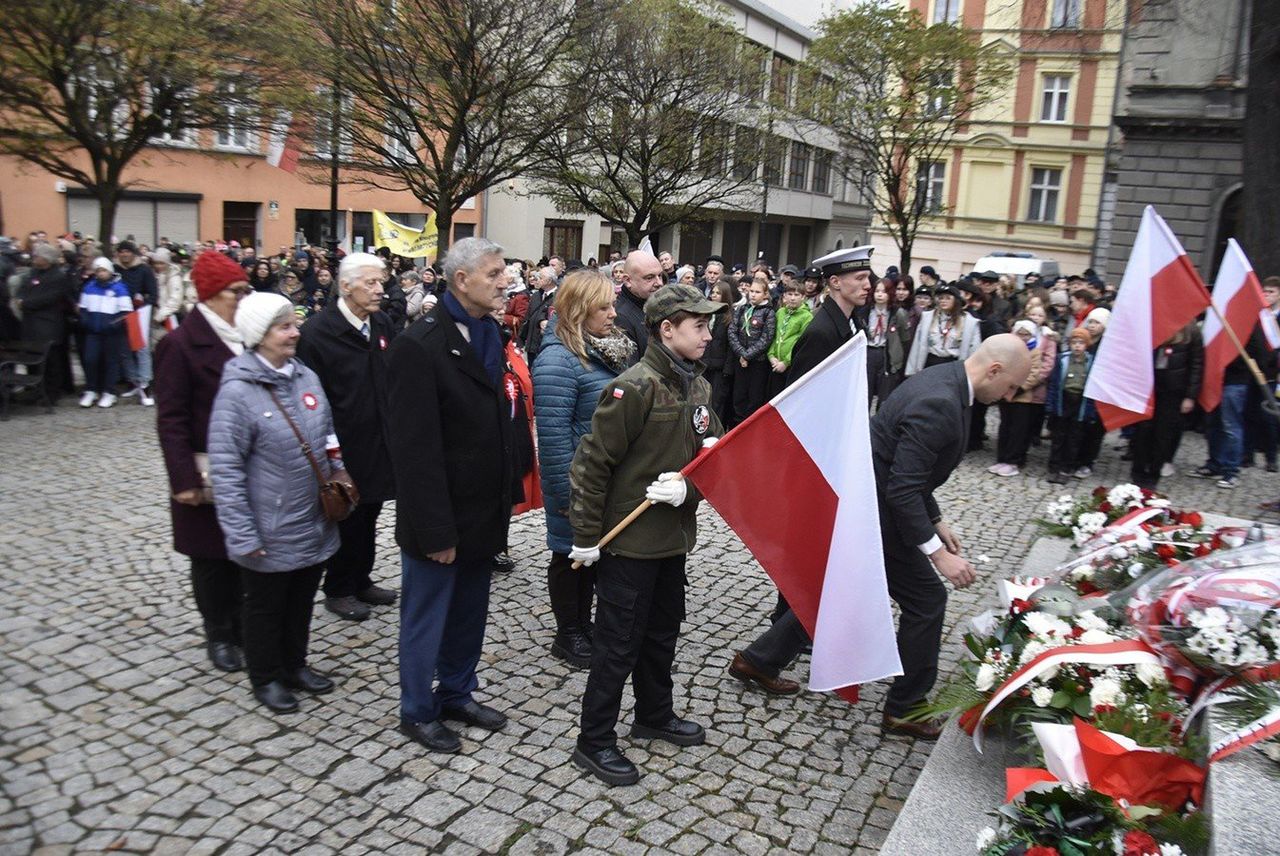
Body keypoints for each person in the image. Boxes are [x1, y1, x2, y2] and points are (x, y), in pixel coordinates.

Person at [568, 282, 725, 787]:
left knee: (662, 635)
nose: (707, 334)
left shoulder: (697, 386)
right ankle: (593, 741)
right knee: (617, 645)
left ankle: (653, 715)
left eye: (709, 325)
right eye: (698, 325)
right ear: (666, 329)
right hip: (629, 544)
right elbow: (592, 463)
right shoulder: (633, 387)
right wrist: (587, 537)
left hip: (671, 540)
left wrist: (691, 490)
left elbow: (712, 462)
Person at [385, 237, 516, 755]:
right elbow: (414, 454)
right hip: (439, 518)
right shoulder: (419, 346)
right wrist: (436, 530)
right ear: (461, 280)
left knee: (468, 611)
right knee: (428, 615)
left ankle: (457, 692)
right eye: (494, 272)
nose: (505, 280)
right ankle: (417, 710)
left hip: (480, 509)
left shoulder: (487, 331)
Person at [725, 246, 874, 694]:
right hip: (816, 456)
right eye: (858, 277)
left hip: (834, 451)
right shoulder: (821, 330)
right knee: (808, 546)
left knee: (815, 546)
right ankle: (784, 630)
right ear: (834, 283)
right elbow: (807, 401)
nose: (867, 283)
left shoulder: (847, 323)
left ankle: (794, 625)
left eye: (867, 276)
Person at [873, 335, 1031, 736]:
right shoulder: (941, 402)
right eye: (1011, 386)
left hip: (880, 503)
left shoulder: (945, 377)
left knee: (844, 589)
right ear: (994, 370)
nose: (1010, 396)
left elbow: (909, 469)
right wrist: (937, 553)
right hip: (881, 514)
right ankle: (905, 708)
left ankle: (761, 659)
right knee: (928, 600)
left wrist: (937, 519)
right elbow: (902, 487)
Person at [208, 291, 346, 713]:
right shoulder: (237, 393)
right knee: (265, 605)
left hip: (312, 517)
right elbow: (226, 470)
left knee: (301, 597)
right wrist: (241, 533)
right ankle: (266, 676)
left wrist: (339, 472)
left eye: (294, 324)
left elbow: (327, 433)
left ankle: (295, 664)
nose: (295, 332)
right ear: (258, 334)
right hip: (267, 524)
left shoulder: (304, 375)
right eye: (284, 327)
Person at [532, 270, 636, 669]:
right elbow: (554, 437)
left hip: (602, 479)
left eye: (612, 304)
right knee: (568, 557)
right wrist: (564, 494)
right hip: (577, 482)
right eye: (604, 307)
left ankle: (583, 624)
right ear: (578, 311)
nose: (614, 313)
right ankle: (568, 633)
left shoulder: (602, 349)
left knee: (592, 556)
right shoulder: (558, 359)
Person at [154, 250, 251, 673]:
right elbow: (170, 418)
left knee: (246, 552)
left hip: (250, 466)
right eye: (236, 292)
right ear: (211, 294)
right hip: (206, 467)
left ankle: (247, 624)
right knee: (211, 558)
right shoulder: (178, 344)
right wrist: (183, 478)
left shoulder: (247, 336)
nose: (244, 299)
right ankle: (220, 633)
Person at [296, 252, 399, 623]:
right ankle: (338, 588)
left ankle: (361, 578)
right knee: (345, 514)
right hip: (340, 443)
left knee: (370, 511)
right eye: (370, 283)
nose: (379, 290)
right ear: (345, 286)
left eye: (381, 282)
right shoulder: (317, 333)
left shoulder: (383, 323)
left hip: (378, 438)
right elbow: (308, 397)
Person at [1189, 322, 1277, 489]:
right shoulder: (1219, 318)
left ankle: (1231, 470)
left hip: (1235, 380)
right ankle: (1214, 463)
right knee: (1213, 424)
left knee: (1231, 426)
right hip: (1215, 378)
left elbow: (1260, 353)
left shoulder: (1249, 321)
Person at [1129, 324, 1202, 490]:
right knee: (1142, 431)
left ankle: (1154, 472)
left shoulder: (1192, 331)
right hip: (1149, 389)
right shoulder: (1152, 323)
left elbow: (1197, 365)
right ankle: (1138, 470)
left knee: (1164, 434)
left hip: (1174, 392)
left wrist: (1190, 396)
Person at [13, 243, 76, 405]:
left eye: (37, 256)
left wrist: (25, 303)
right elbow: (23, 288)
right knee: (33, 360)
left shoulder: (58, 277)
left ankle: (52, 393)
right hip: (30, 325)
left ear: (46, 259)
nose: (34, 258)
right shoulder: (33, 273)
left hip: (48, 325)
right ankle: (35, 390)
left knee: (51, 362)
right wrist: (20, 299)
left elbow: (49, 298)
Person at [990, 319, 1052, 476]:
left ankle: (1014, 460)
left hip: (1023, 396)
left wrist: (1020, 388)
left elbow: (1035, 374)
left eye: (1026, 335)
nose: (1023, 337)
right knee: (1005, 427)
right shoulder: (1007, 350)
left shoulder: (1035, 351)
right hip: (1005, 393)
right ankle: (1002, 458)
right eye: (1020, 334)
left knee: (1019, 430)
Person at [1045, 328, 1099, 484]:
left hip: (1080, 403)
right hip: (1063, 401)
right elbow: (1054, 384)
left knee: (1074, 439)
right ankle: (1054, 467)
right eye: (1074, 342)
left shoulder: (1091, 362)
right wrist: (1051, 405)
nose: (1077, 346)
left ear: (1086, 345)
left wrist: (1091, 410)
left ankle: (1066, 468)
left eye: (1081, 343)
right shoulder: (1062, 360)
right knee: (1058, 437)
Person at [77, 257, 132, 408]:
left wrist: (113, 325)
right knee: (90, 360)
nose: (101, 273)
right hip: (93, 331)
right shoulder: (89, 287)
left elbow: (126, 312)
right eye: (98, 270)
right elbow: (83, 308)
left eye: (103, 270)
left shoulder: (119, 288)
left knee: (111, 362)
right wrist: (86, 321)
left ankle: (109, 391)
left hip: (112, 333)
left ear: (110, 271)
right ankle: (91, 389)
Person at [728, 274, 777, 424]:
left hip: (757, 362)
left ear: (765, 294)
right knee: (739, 396)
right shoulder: (742, 309)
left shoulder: (769, 312)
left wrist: (748, 356)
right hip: (740, 360)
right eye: (752, 291)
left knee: (754, 397)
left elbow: (766, 339)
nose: (753, 295)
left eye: (757, 292)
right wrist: (742, 354)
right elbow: (732, 331)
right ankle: (736, 426)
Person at [114, 241, 158, 405]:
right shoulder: (114, 270)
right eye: (121, 252)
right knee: (124, 350)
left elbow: (153, 294)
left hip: (139, 315)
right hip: (120, 315)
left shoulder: (144, 270)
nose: (124, 254)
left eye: (127, 251)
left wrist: (143, 303)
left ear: (133, 253)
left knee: (142, 350)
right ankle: (134, 382)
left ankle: (145, 385)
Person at [905, 283, 980, 375]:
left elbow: (974, 349)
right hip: (930, 361)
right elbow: (917, 344)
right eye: (941, 298)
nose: (943, 301)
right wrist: (911, 371)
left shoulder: (969, 322)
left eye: (948, 298)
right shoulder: (928, 318)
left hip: (952, 364)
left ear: (956, 301)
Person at [863, 278, 912, 410]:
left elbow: (904, 339)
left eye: (884, 292)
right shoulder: (865, 311)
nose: (880, 294)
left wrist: (898, 361)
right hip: (869, 352)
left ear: (890, 294)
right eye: (877, 291)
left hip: (887, 355)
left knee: (884, 395)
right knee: (865, 392)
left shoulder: (898, 314)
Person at [612, 251, 665, 357]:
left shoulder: (656, 306)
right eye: (649, 278)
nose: (659, 283)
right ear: (627, 280)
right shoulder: (620, 317)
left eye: (660, 275)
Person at [766, 282, 813, 398]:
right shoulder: (780, 312)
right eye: (790, 294)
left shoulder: (806, 316)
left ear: (803, 297)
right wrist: (771, 355)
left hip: (790, 366)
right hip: (775, 363)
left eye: (796, 295)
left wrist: (786, 362)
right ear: (784, 296)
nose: (792, 298)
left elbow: (801, 342)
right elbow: (774, 335)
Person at [704, 281, 735, 425]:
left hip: (720, 367)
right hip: (705, 363)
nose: (714, 295)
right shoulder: (707, 314)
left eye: (718, 293)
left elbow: (730, 346)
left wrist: (727, 370)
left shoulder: (729, 317)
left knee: (717, 402)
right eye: (713, 292)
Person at [522, 266, 559, 360]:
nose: (537, 280)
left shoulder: (559, 297)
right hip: (531, 345)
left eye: (541, 278)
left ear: (550, 280)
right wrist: (521, 339)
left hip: (545, 346)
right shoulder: (536, 296)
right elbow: (527, 318)